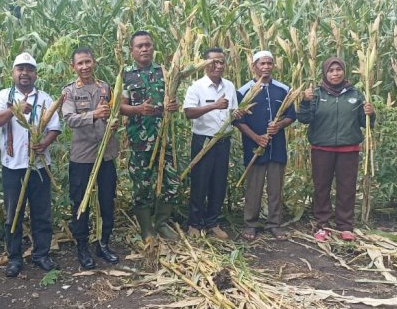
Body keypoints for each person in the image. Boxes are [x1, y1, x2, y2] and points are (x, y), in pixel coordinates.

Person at [0, 52, 61, 277]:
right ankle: (14, 258)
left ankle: (41, 254)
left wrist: (44, 144)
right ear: (13, 73)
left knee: (41, 213)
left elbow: (55, 128)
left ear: (35, 74)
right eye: (20, 69)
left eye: (29, 69)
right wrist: (15, 109)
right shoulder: (3, 97)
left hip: (39, 166)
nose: (25, 73)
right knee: (13, 214)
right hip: (12, 166)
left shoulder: (45, 98)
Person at [297, 57, 375, 242]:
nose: (335, 74)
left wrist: (371, 114)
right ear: (325, 73)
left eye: (338, 70)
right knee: (322, 187)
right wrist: (305, 101)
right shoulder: (315, 94)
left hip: (349, 149)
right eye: (331, 70)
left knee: (346, 188)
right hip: (322, 148)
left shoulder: (355, 94)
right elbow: (304, 119)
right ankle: (322, 225)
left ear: (344, 72)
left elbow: (365, 124)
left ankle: (345, 226)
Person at [62, 47, 119, 269]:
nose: (84, 67)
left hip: (105, 155)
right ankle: (82, 247)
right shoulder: (70, 92)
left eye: (88, 62)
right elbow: (69, 119)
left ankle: (103, 243)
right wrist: (93, 115)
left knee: (107, 201)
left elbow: (114, 116)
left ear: (94, 62)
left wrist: (114, 123)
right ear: (73, 67)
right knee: (81, 203)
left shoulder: (105, 88)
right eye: (80, 63)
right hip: (82, 157)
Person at [120, 31, 180, 241]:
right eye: (139, 46)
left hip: (164, 137)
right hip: (139, 140)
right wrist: (138, 110)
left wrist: (173, 106)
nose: (144, 49)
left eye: (148, 45)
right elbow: (119, 107)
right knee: (142, 184)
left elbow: (173, 101)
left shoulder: (164, 72)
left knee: (170, 181)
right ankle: (147, 229)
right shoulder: (125, 74)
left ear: (153, 48)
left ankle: (162, 223)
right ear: (132, 51)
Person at [235, 50, 296, 241]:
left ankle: (274, 223)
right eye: (262, 64)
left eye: (269, 63)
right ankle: (250, 224)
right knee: (254, 186)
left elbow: (291, 115)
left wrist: (279, 125)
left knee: (275, 187)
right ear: (254, 66)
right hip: (254, 147)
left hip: (276, 146)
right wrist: (256, 138)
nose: (266, 67)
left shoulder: (283, 90)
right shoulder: (244, 91)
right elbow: (238, 121)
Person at [183, 47, 237, 240]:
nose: (218, 66)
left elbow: (233, 112)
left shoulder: (229, 86)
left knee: (218, 183)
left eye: (221, 62)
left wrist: (238, 113)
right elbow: (188, 113)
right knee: (200, 183)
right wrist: (213, 105)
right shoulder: (196, 87)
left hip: (223, 141)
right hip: (203, 141)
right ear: (205, 64)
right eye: (213, 62)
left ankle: (213, 222)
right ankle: (195, 224)